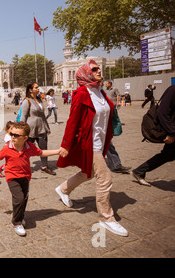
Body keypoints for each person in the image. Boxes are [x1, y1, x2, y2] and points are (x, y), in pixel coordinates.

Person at [55, 60, 128, 237]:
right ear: (86, 73)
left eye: (98, 68)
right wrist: (65, 144)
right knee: (105, 178)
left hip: (102, 141)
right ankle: (106, 217)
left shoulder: (100, 92)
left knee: (88, 173)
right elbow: (73, 121)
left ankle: (63, 189)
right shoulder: (81, 94)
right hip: (89, 143)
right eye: (94, 69)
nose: (98, 71)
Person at [0, 121, 60, 236]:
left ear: (25, 138)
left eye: (16, 135)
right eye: (11, 134)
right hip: (12, 176)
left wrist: (58, 152)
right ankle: (16, 222)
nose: (12, 137)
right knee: (19, 198)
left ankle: (20, 215)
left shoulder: (29, 147)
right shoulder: (7, 148)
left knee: (24, 198)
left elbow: (42, 152)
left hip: (25, 176)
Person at [131, 85, 175, 186]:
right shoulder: (173, 90)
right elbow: (163, 113)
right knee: (168, 154)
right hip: (172, 130)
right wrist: (172, 133)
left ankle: (139, 171)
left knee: (168, 154)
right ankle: (139, 171)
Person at [20, 82, 55, 175]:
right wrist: (21, 131)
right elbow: (23, 117)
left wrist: (47, 127)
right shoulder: (26, 101)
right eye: (36, 87)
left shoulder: (39, 99)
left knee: (43, 147)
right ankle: (22, 167)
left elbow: (43, 115)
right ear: (30, 90)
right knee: (26, 149)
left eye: (38, 87)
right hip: (30, 129)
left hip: (41, 128)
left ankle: (45, 166)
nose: (38, 89)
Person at [102, 80, 131, 173]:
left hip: (108, 114)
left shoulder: (109, 90)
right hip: (93, 126)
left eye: (104, 83)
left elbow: (118, 96)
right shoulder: (90, 92)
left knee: (108, 144)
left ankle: (116, 165)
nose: (103, 84)